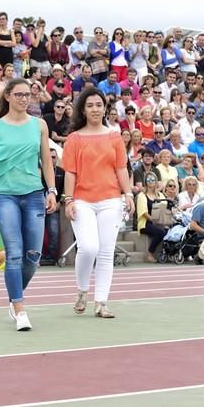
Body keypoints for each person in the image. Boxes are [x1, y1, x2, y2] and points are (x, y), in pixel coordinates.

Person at [0, 78, 57, 331]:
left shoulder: (40, 125)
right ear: (8, 97)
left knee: (32, 257)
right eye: (19, 94)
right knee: (14, 252)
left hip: (34, 194)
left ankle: (14, 294)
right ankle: (19, 306)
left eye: (28, 95)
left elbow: (47, 161)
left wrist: (52, 191)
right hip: (5, 196)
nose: (24, 99)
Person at [62, 86, 135, 318]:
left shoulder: (114, 135)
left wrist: (129, 194)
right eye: (90, 105)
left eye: (99, 105)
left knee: (105, 252)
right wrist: (69, 200)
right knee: (88, 247)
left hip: (111, 200)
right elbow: (70, 172)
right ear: (83, 109)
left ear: (105, 108)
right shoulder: (74, 139)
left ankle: (101, 301)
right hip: (82, 200)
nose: (95, 109)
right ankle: (82, 290)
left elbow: (121, 168)